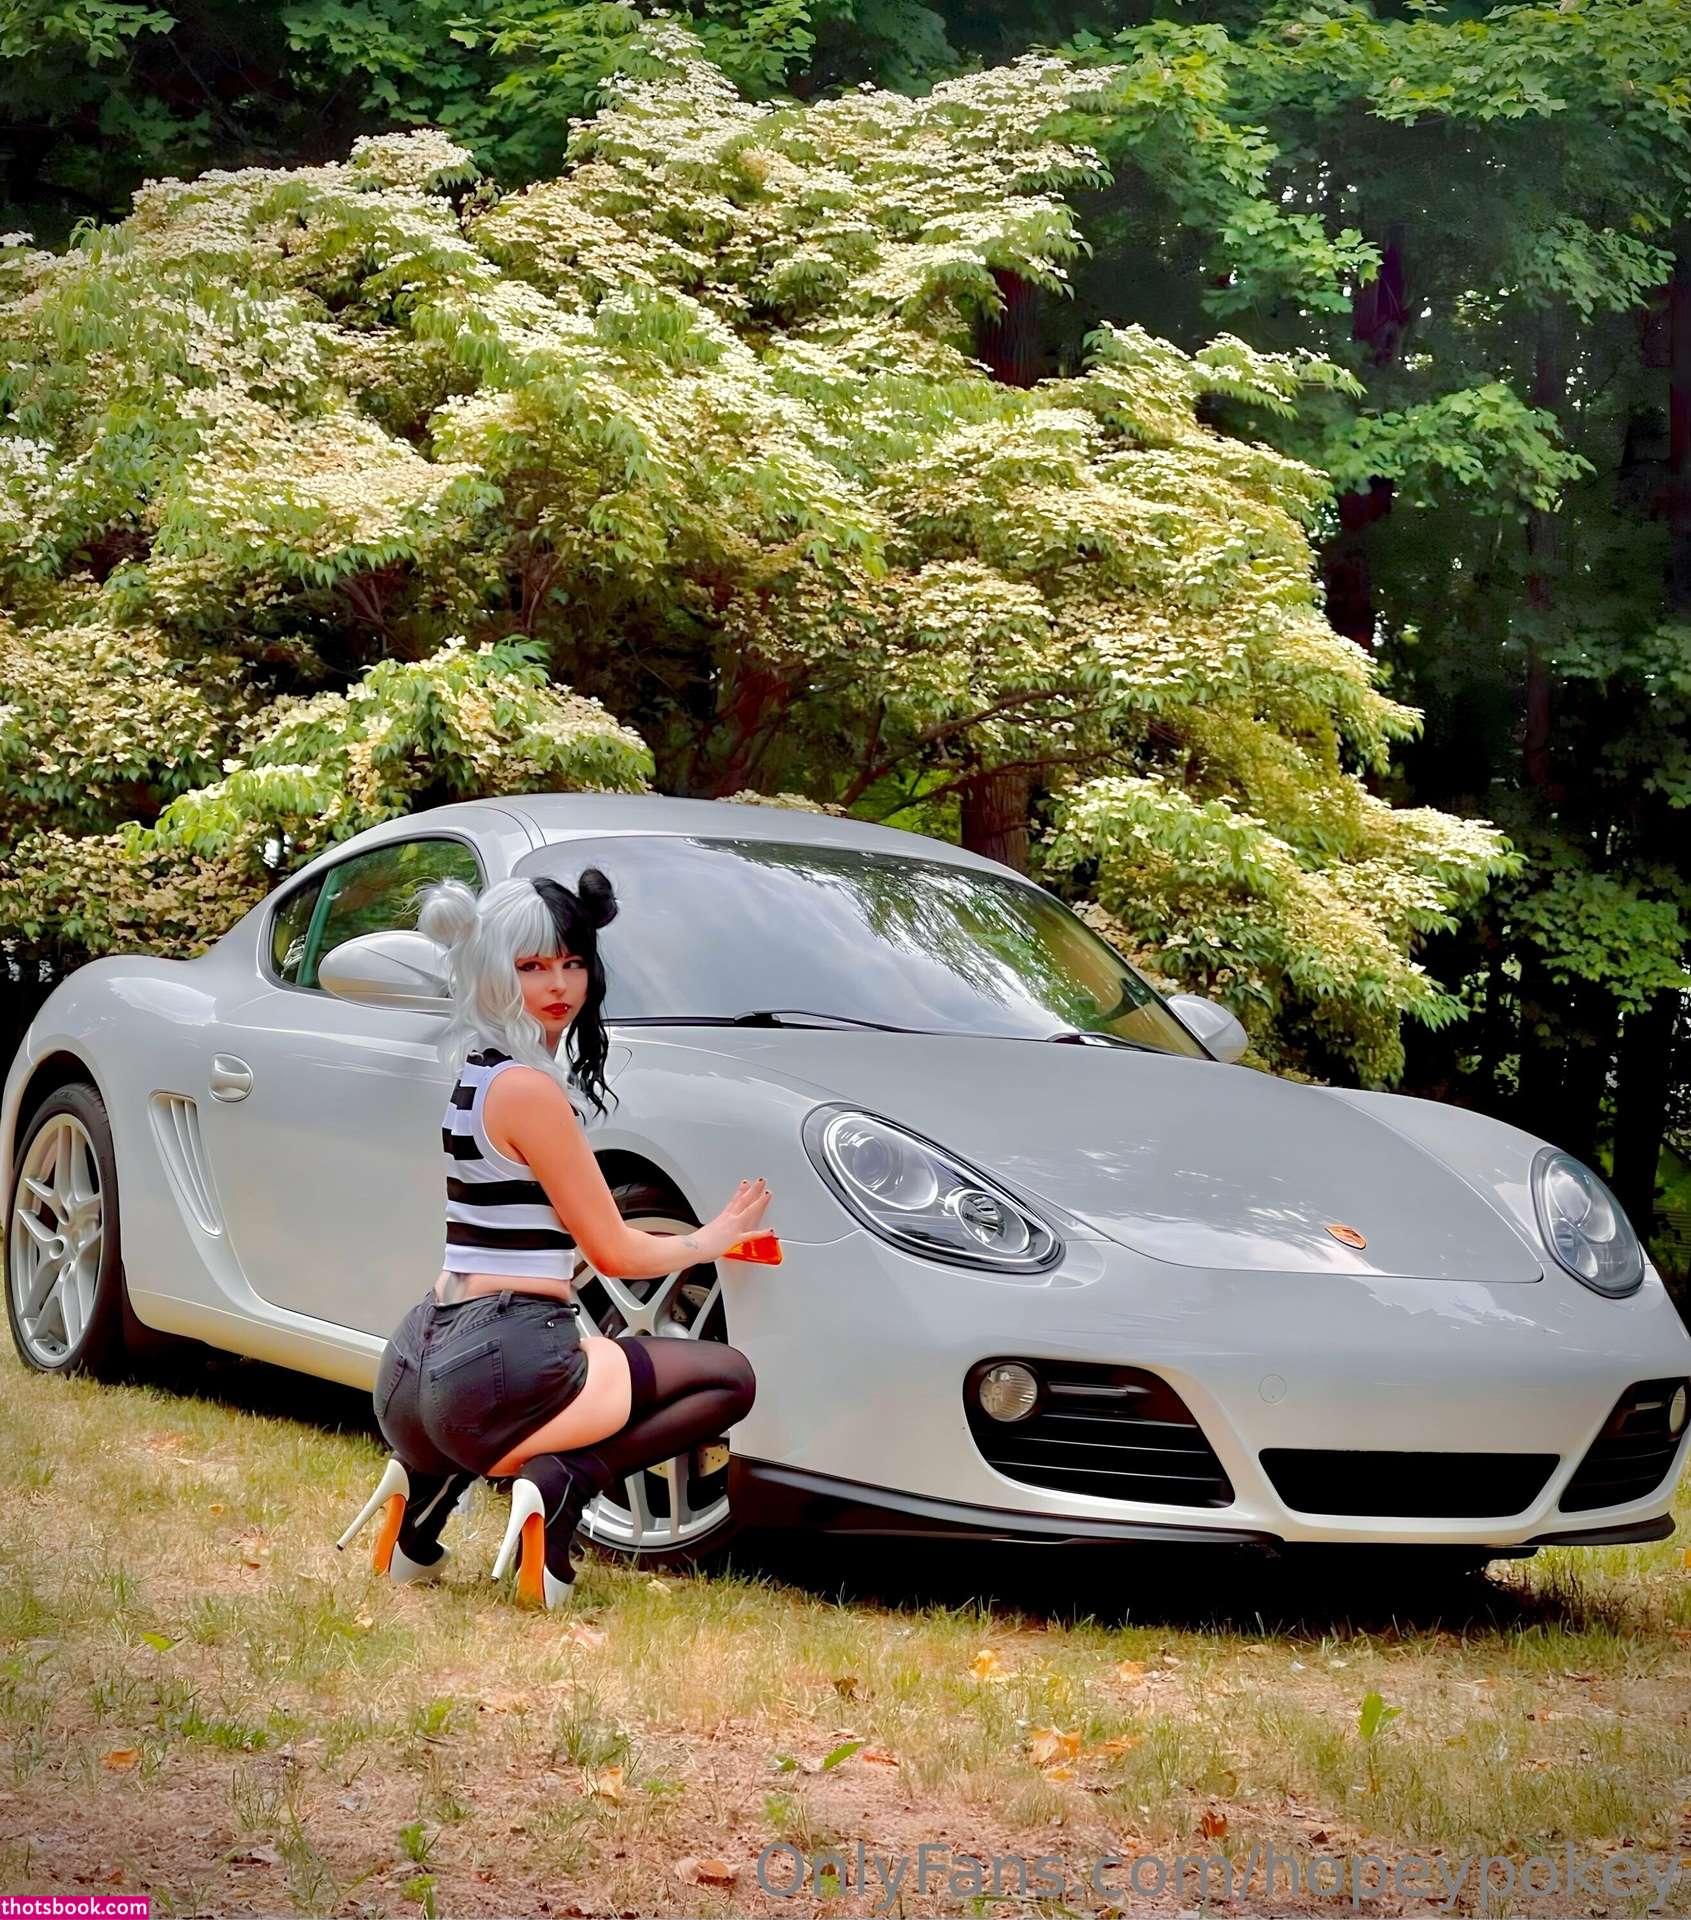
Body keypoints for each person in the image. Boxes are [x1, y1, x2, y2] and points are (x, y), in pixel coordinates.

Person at [336, 865, 769, 1609]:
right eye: (532, 966)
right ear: (490, 970)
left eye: (572, 963)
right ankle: (564, 1481)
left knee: (586, 1370)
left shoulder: (476, 1076)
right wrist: (713, 1239)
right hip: (499, 1359)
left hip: (413, 1367)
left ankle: (426, 1496)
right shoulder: (530, 1090)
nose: (559, 985)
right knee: (727, 1378)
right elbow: (614, 1252)